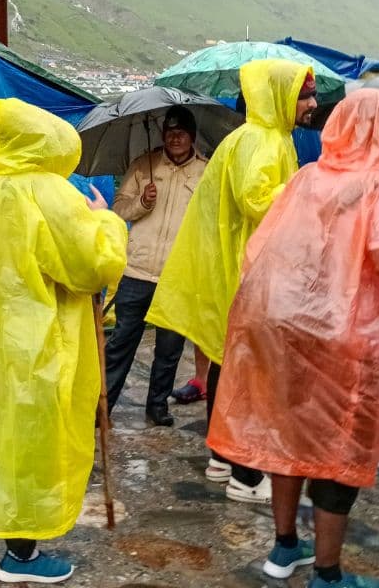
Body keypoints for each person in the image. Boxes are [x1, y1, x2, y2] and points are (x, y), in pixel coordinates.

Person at [208, 89, 379, 588]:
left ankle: (284, 548)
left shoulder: (305, 179)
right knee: (338, 452)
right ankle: (327, 573)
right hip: (345, 340)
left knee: (288, 434)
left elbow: (263, 248)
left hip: (284, 328)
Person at [0, 98, 127, 584]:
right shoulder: (47, 193)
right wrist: (107, 221)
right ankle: (22, 557)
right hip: (41, 342)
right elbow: (92, 265)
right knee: (35, 445)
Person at [146, 59, 317, 504]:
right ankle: (244, 472)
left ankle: (223, 454)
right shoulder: (263, 140)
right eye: (304, 95)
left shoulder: (259, 137)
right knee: (246, 373)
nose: (312, 104)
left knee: (228, 363)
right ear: (280, 96)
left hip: (237, 272)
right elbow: (256, 198)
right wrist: (304, 188)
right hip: (249, 276)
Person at [104, 106, 207, 426]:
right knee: (121, 341)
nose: (175, 138)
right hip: (137, 270)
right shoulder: (144, 165)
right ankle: (102, 404)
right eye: (170, 132)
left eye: (182, 133)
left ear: (192, 137)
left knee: (169, 347)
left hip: (178, 274)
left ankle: (157, 406)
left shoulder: (206, 172)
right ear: (163, 135)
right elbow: (118, 211)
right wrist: (142, 203)